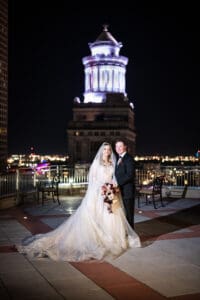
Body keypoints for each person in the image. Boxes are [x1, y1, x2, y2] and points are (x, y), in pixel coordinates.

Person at [16, 142, 141, 262]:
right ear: (102, 151)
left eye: (109, 150)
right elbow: (92, 178)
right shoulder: (97, 163)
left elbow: (115, 177)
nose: (107, 151)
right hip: (98, 192)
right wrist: (101, 188)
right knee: (96, 216)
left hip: (110, 192)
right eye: (105, 149)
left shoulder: (113, 163)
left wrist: (111, 187)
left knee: (112, 215)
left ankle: (113, 238)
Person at [115, 140, 136, 229]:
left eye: (120, 146)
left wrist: (117, 183)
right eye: (116, 146)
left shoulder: (129, 158)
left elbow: (130, 175)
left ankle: (131, 236)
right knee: (122, 214)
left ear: (125, 147)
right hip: (120, 192)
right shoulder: (118, 158)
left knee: (129, 215)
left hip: (127, 192)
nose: (118, 148)